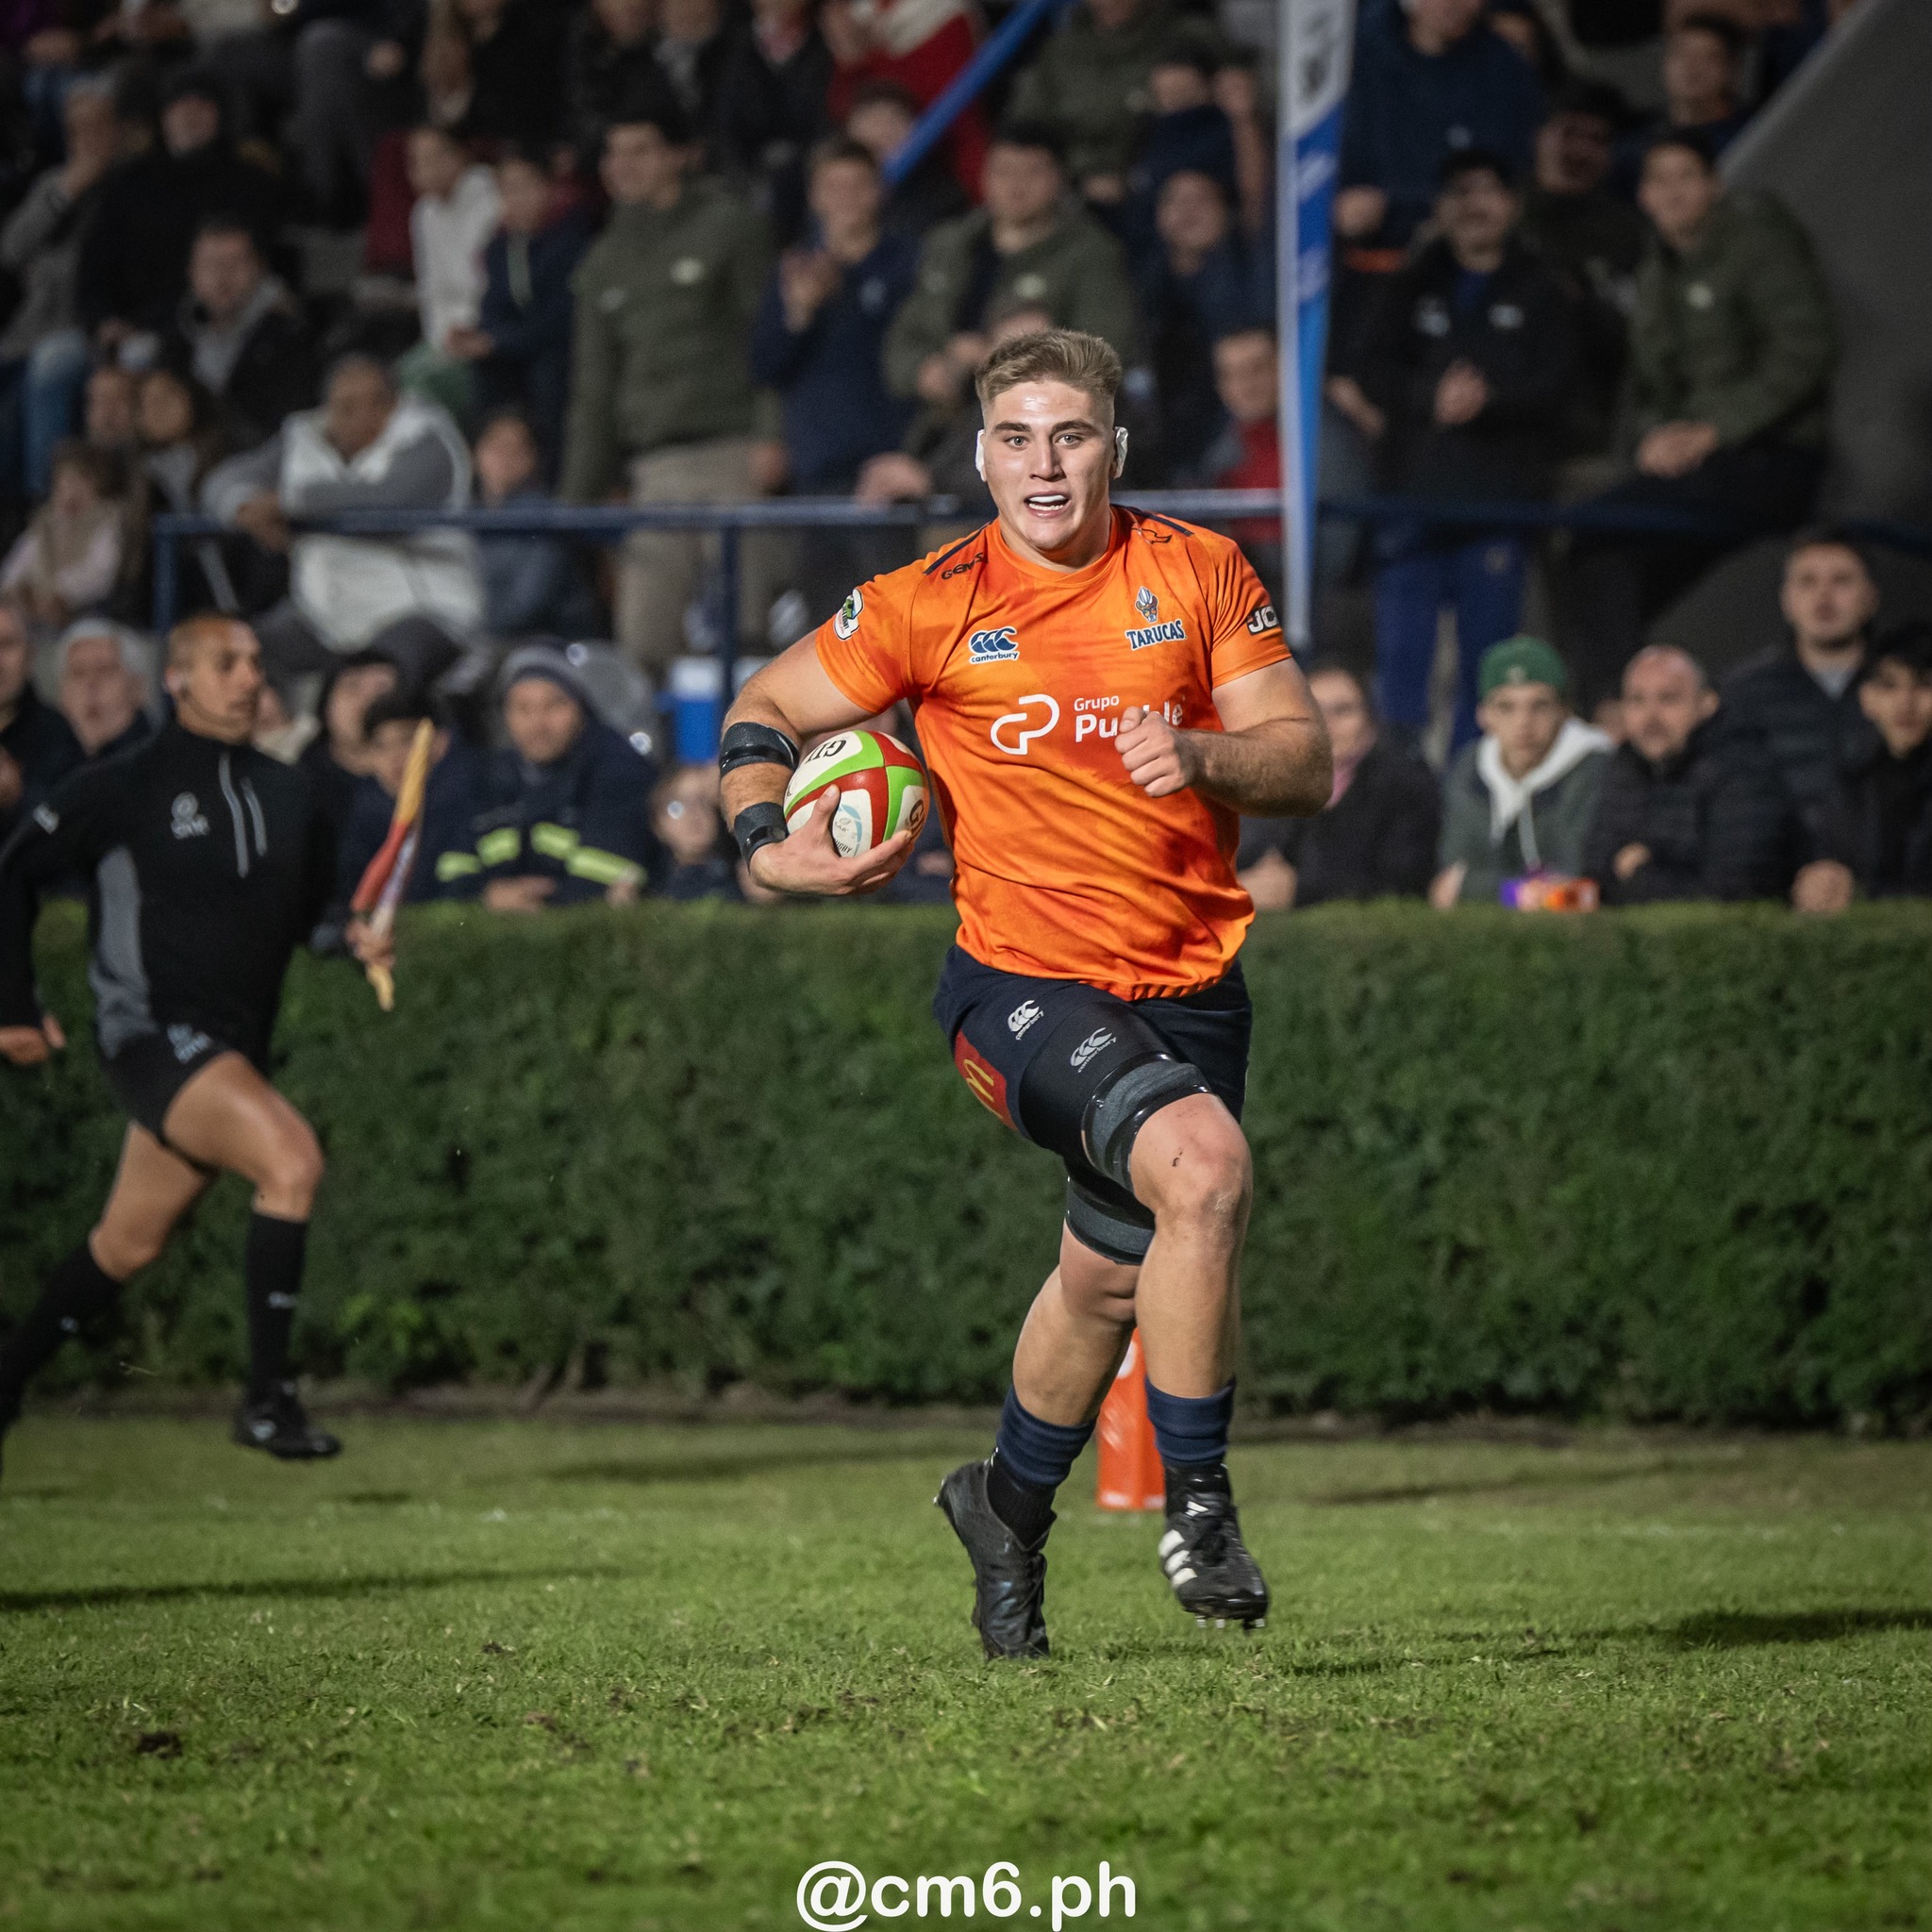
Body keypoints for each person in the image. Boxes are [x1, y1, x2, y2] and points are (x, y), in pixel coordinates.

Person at [719, 326, 1331, 1656]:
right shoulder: (925, 602)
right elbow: (764, 705)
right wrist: (768, 846)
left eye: (1069, 436)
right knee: (1206, 1170)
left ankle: (1001, 1509)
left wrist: (1204, 754)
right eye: (1015, 439)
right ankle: (1201, 1510)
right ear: (983, 459)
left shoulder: (1198, 569)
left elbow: (1304, 761)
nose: (1043, 465)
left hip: (1192, 986)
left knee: (1107, 1282)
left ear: (1115, 449)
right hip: (1018, 987)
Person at [0, 614, 392, 1475]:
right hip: (148, 1039)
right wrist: (15, 1003)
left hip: (230, 1049)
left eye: (254, 662)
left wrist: (350, 938)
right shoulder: (121, 785)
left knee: (126, 1245)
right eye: (226, 663)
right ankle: (268, 1401)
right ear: (177, 679)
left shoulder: (292, 792)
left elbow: (312, 918)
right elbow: (13, 871)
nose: (249, 677)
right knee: (291, 1161)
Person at [1567, 135, 1836, 706]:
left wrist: (1710, 431)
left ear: (1713, 185)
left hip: (1773, 456)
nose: (1671, 192)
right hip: (1701, 466)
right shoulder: (1655, 268)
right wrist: (1654, 441)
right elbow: (1653, 387)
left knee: (1601, 535)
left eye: (1685, 176)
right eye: (1658, 179)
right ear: (1642, 194)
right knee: (1600, 550)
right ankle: (1630, 703)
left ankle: (1626, 703)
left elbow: (1804, 353)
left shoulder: (1759, 244)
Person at [1337, 150, 1576, 752]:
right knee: (1401, 676)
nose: (1475, 205)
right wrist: (1429, 396)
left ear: (1513, 205)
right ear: (1440, 208)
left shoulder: (1544, 287)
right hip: (1411, 505)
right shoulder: (1409, 283)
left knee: (1490, 675)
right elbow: (1369, 368)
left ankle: (1477, 791)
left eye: (1489, 190)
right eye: (1460, 192)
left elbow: (1561, 383)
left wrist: (1490, 400)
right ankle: (1399, 788)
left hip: (1499, 507)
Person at [561, 109, 783, 675]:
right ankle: (661, 737)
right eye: (614, 154)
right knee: (643, 637)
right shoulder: (603, 258)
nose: (624, 166)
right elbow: (593, 387)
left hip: (732, 451)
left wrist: (772, 433)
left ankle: (756, 735)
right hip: (652, 468)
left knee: (746, 630)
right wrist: (578, 499)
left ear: (678, 156)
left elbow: (767, 336)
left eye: (641, 150)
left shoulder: (730, 226)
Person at [205, 355, 484, 678]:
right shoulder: (304, 435)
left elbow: (384, 501)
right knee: (235, 657)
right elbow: (220, 482)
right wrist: (244, 506)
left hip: (419, 613)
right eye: (345, 406)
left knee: (373, 680)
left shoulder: (426, 436)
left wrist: (287, 503)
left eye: (377, 402)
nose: (362, 415)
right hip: (323, 619)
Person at [750, 138, 919, 622]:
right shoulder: (794, 271)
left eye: (857, 185)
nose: (845, 198)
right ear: (814, 196)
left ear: (879, 192)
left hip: (887, 472)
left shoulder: (908, 263)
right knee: (828, 626)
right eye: (833, 187)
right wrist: (799, 314)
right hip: (816, 471)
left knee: (894, 621)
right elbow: (764, 367)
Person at [884, 125, 1141, 420]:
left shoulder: (1091, 253)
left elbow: (1110, 352)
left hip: (1041, 422)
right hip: (943, 423)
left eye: (1033, 172)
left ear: (1059, 178)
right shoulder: (950, 243)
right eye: (1003, 171)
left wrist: (1031, 351)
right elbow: (904, 338)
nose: (1016, 185)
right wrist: (929, 370)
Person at [75, 67, 282, 350]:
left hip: (215, 327)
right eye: (179, 107)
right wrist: (103, 321)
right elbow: (94, 266)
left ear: (221, 116)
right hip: (122, 328)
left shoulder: (249, 183)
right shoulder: (128, 182)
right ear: (163, 117)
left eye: (201, 107)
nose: (189, 116)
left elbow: (254, 270)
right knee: (55, 359)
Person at [1580, 643, 1794, 903]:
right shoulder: (1623, 768)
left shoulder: (1744, 771)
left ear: (1707, 703)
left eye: (1668, 698)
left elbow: (1736, 889)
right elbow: (1593, 873)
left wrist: (1642, 875)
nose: (1650, 717)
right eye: (1637, 700)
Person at [1337, 0, 1544, 252]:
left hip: (1454, 253)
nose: (1455, 4)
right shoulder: (1351, 49)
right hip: (1343, 244)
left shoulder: (1506, 74)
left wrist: (1395, 209)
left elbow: (1508, 181)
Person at [1719, 527, 1877, 854]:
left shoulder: (1912, 690)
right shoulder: (1744, 692)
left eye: (1841, 581)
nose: (1824, 597)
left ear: (1871, 597)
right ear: (1786, 600)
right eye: (1807, 581)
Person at [466, 642, 658, 910]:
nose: (538, 724)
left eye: (554, 705)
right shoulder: (491, 774)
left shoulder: (620, 771)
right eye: (523, 708)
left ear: (581, 707)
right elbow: (449, 871)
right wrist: (486, 894)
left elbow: (603, 880)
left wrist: (530, 905)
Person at [0, 79, 121, 503]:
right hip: (29, 333)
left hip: (86, 330)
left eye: (96, 128)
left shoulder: (127, 186)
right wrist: (66, 192)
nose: (85, 141)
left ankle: (45, 503)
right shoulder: (54, 183)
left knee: (50, 366)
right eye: (76, 130)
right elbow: (11, 249)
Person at [1238, 661, 1441, 909]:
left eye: (1342, 710)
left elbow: (1404, 882)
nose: (1327, 723)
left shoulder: (1407, 786)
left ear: (1371, 718)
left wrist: (1300, 890)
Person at [1433, 635, 1611, 907]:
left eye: (1539, 705)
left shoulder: (1597, 768)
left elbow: (1582, 893)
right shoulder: (1469, 768)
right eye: (1506, 707)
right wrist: (1520, 894)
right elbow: (1446, 886)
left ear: (1563, 711)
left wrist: (1480, 889)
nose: (1523, 722)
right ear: (1483, 714)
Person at [1517, 81, 1646, 457]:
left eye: (1597, 140)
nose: (1580, 151)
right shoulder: (1496, 211)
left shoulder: (1630, 233)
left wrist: (1582, 300)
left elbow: (1638, 336)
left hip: (1585, 415)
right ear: (1540, 136)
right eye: (1569, 133)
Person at [456, 148, 595, 471]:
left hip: (559, 346)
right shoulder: (500, 248)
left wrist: (499, 341)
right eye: (506, 191)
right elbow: (492, 307)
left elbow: (563, 316)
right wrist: (478, 338)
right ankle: (491, 473)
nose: (514, 200)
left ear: (548, 188)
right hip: (516, 346)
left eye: (523, 188)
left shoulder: (573, 240)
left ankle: (556, 472)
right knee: (483, 374)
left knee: (550, 373)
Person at [1007, 0, 1219, 205]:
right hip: (1070, 192)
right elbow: (1027, 130)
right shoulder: (1059, 50)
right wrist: (1076, 179)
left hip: (1162, 191)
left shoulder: (1187, 36)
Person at [1136, 171, 1271, 482]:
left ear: (1227, 211)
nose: (1188, 212)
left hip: (1228, 422)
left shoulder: (1250, 270)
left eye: (1201, 200)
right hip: (1167, 428)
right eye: (1176, 201)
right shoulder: (1147, 278)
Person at [1800, 624, 1932, 908]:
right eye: (1890, 685)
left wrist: (1860, 894)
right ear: (1867, 698)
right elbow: (1828, 858)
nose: (1905, 703)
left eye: (1924, 685)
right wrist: (1819, 885)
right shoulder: (1850, 780)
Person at [163, 218, 320, 454]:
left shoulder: (291, 335)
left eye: (235, 263)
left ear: (259, 267)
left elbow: (288, 428)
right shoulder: (173, 337)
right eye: (211, 264)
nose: (222, 276)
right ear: (191, 271)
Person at [335, 687, 484, 905]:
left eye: (406, 741)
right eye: (381, 746)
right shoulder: (362, 815)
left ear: (440, 742)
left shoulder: (471, 804)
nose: (394, 757)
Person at [398, 124, 502, 426]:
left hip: (484, 327)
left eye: (432, 158)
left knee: (417, 383)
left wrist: (467, 329)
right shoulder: (423, 214)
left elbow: (490, 284)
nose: (423, 170)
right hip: (447, 335)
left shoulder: (491, 198)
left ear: (458, 156)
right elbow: (430, 290)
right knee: (397, 378)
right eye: (416, 162)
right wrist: (442, 339)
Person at [713, 0, 835, 247]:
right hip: (749, 173)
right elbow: (725, 126)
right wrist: (743, 174)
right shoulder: (735, 44)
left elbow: (825, 120)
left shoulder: (824, 42)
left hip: (807, 169)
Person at [474, 409, 599, 641]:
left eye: (516, 448)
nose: (504, 457)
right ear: (475, 453)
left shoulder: (546, 518)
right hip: (487, 640)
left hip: (549, 644)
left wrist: (461, 624)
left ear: (533, 458)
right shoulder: (467, 515)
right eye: (495, 446)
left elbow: (526, 606)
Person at [1, 438, 128, 640]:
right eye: (65, 480)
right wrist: (16, 590)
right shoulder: (44, 524)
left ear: (100, 485)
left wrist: (60, 593)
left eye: (81, 480)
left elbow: (100, 573)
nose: (72, 490)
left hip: (87, 617)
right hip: (36, 618)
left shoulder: (107, 522)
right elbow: (16, 567)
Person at [1615, 11, 1753, 191]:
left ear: (1732, 70)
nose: (1692, 67)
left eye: (1708, 57)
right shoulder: (1634, 147)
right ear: (1665, 64)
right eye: (1682, 54)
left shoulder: (1753, 133)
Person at [0, 598, 80, 842]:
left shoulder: (56, 734)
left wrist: (18, 796)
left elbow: (70, 831)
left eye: (7, 644)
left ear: (29, 654)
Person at [56, 618, 155, 761]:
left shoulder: (162, 761)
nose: (91, 683)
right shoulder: (43, 759)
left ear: (137, 688)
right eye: (78, 673)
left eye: (105, 670)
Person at [648, 760, 741, 900]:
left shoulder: (744, 877)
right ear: (657, 822)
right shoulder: (648, 883)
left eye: (703, 802)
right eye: (676, 808)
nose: (694, 814)